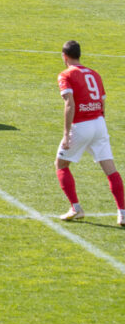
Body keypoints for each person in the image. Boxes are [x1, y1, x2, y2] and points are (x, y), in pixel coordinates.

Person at [54, 41, 125, 225]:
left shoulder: (65, 74)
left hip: (81, 125)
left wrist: (66, 133)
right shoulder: (94, 73)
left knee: (61, 164)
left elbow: (70, 104)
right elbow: (102, 102)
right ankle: (122, 212)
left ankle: (76, 208)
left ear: (64, 56)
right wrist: (100, 124)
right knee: (110, 169)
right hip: (99, 123)